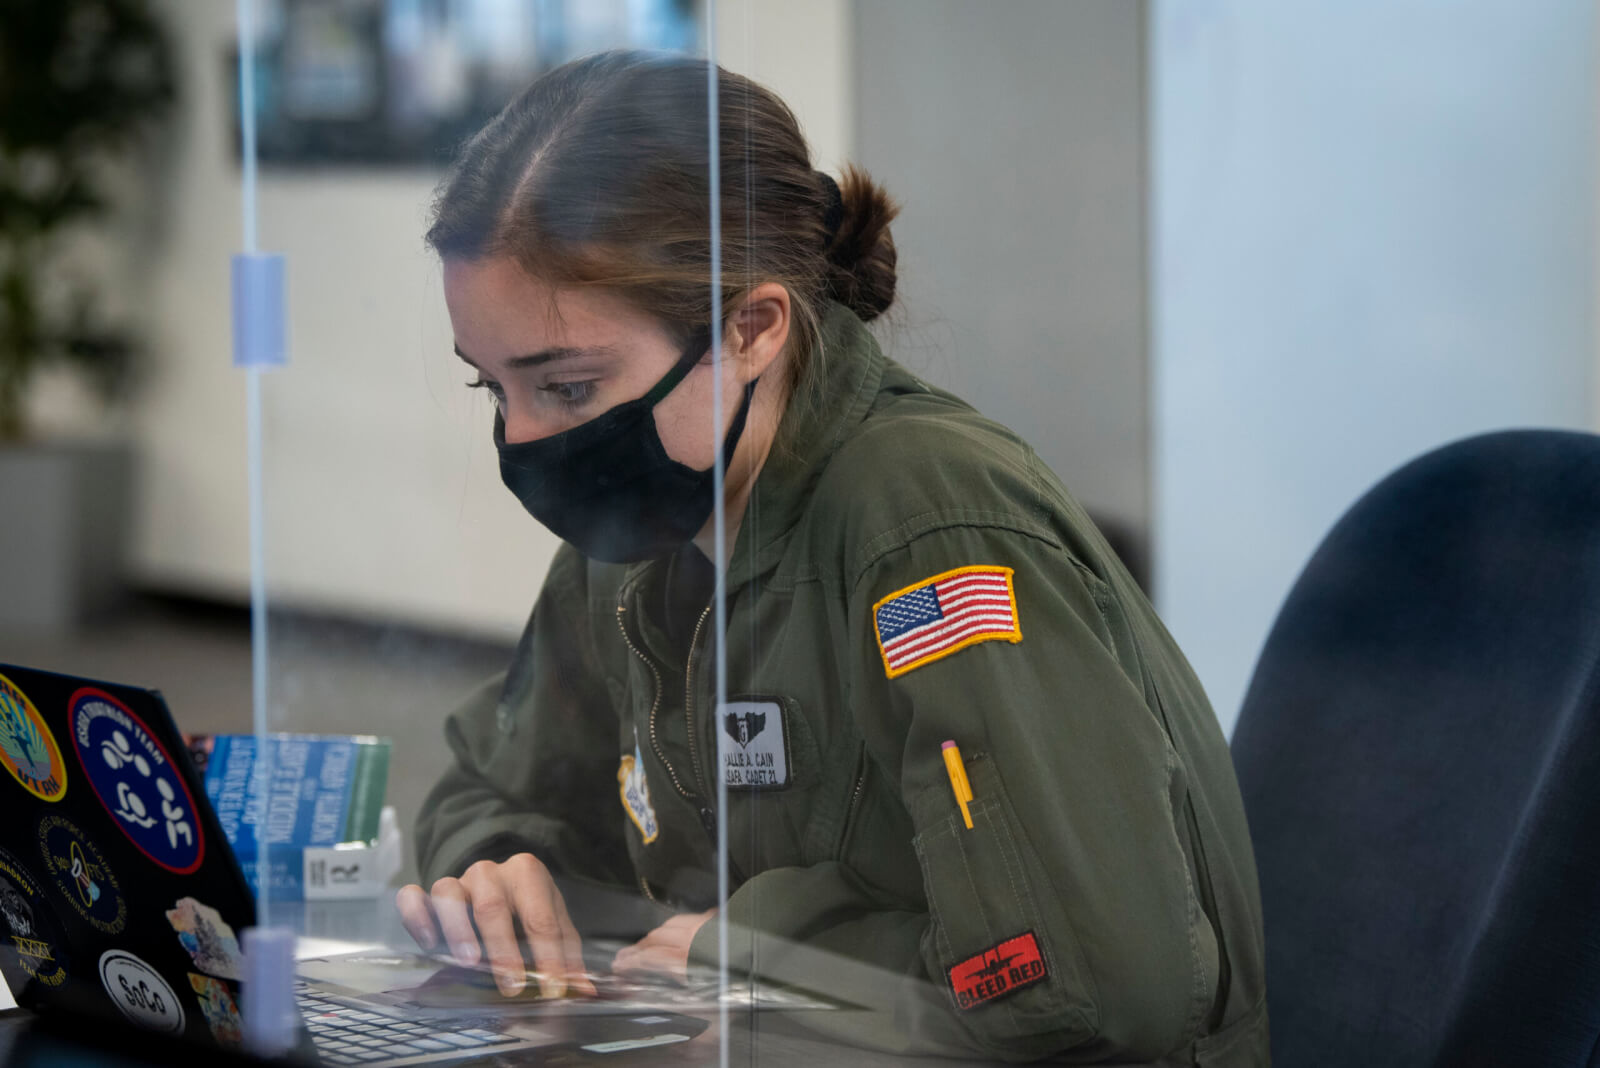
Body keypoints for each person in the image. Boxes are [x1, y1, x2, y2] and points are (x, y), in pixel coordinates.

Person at [398, 50, 1268, 1065]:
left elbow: (1095, 981)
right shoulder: (647, 529)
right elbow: (489, 788)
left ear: (752, 326)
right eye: (490, 389)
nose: (525, 438)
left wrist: (753, 951)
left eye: (569, 387)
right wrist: (500, 875)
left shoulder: (926, 527)